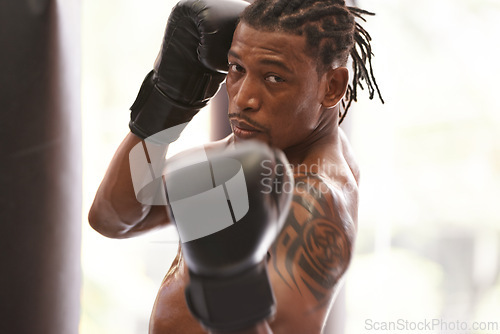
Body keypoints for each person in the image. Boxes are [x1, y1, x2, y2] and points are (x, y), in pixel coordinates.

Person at [89, 0, 383, 333]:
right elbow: (115, 219)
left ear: (332, 87)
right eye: (236, 69)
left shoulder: (315, 198)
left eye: (273, 77)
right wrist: (165, 105)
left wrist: (224, 281)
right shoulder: (260, 148)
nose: (243, 98)